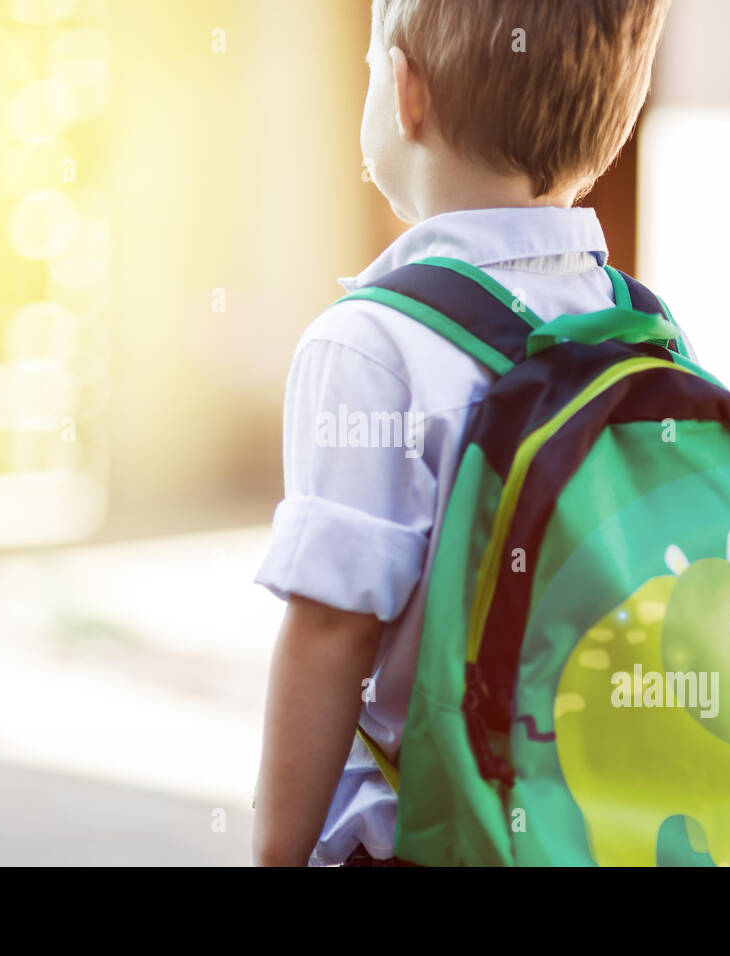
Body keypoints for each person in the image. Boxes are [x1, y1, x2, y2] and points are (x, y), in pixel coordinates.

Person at [252, 0, 672, 866]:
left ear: (406, 92)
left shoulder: (373, 343)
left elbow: (333, 630)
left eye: (371, 68)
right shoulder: (646, 333)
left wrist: (274, 856)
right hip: (605, 837)